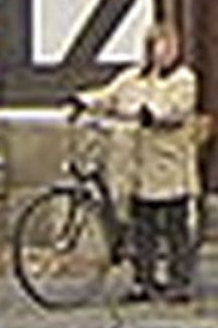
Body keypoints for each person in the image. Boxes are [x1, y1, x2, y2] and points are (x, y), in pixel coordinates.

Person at [70, 36, 206, 300]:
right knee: (143, 222)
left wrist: (153, 114)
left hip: (169, 161)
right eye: (160, 48)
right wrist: (84, 101)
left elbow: (178, 108)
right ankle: (143, 279)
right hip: (137, 163)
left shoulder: (183, 79)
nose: (165, 54)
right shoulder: (134, 77)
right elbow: (109, 95)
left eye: (170, 48)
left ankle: (179, 281)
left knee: (174, 222)